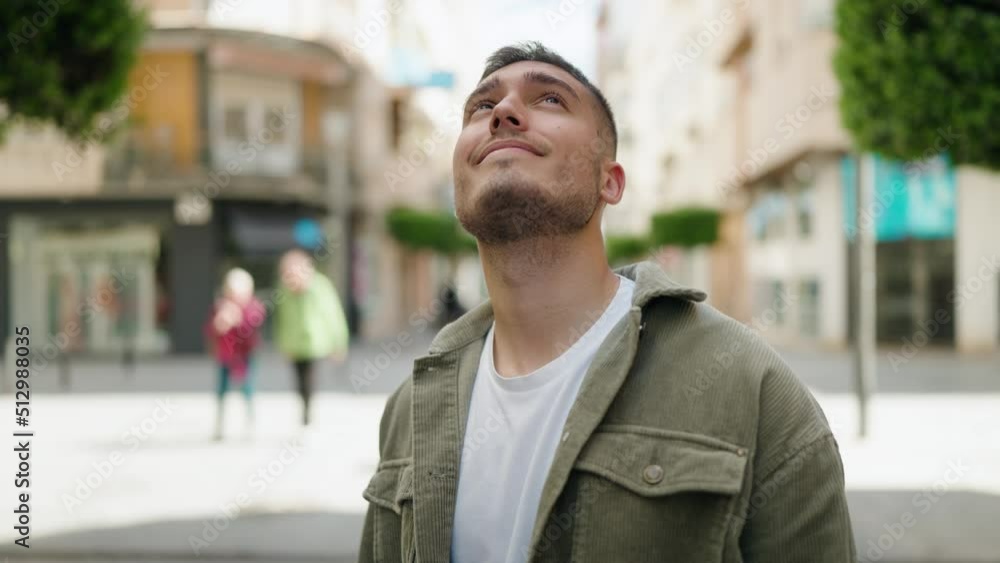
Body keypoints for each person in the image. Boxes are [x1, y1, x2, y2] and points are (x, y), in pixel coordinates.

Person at [359, 42, 856, 563]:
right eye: (482, 107)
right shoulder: (412, 407)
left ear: (610, 182)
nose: (502, 113)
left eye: (549, 99)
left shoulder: (751, 388)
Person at [274, 249, 349, 426]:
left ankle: (307, 412)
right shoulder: (284, 289)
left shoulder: (320, 286)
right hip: (293, 343)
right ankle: (305, 407)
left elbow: (334, 315)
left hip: (315, 342)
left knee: (308, 378)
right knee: (299, 380)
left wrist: (339, 343)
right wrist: (283, 345)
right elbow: (281, 319)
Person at [204, 268, 265, 441]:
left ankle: (250, 422)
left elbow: (252, 329)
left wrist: (237, 321)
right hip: (225, 356)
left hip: (245, 356)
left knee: (247, 389)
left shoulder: (253, 308)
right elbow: (210, 330)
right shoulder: (220, 307)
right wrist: (218, 325)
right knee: (222, 390)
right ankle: (220, 424)